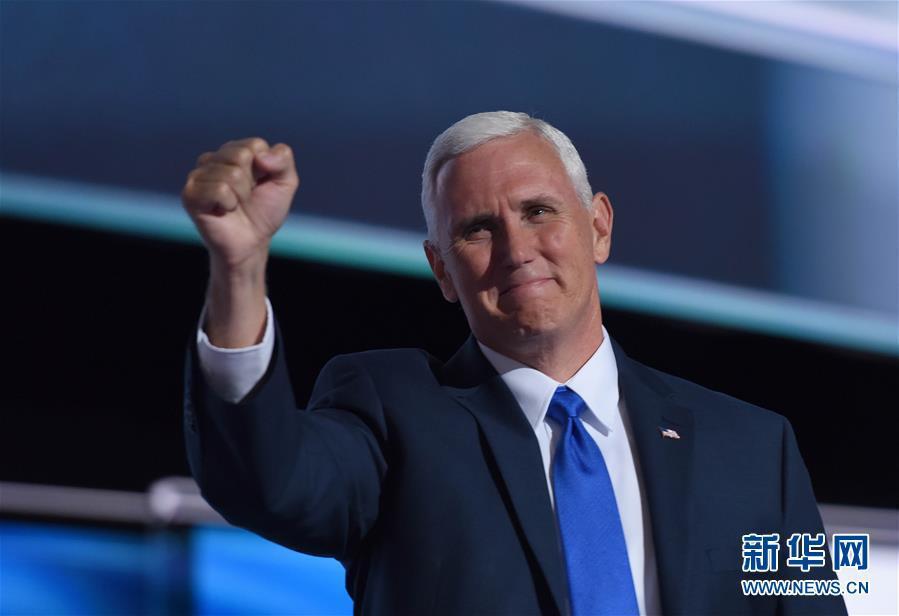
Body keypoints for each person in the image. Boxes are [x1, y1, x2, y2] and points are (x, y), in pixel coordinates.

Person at [181, 111, 846, 615]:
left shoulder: (756, 448)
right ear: (442, 269)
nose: (517, 250)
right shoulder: (391, 410)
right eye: (477, 229)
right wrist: (239, 269)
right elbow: (269, 484)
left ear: (598, 227)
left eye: (538, 211)